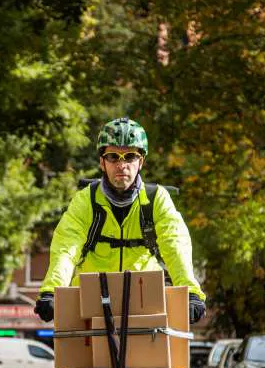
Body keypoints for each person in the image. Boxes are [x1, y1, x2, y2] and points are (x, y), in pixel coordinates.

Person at [34, 117, 206, 324]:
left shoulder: (156, 198)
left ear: (140, 161)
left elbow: (175, 245)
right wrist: (50, 291)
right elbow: (66, 248)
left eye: (130, 156)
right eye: (113, 156)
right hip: (91, 301)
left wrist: (192, 292)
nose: (121, 165)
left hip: (143, 300)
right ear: (102, 162)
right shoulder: (86, 200)